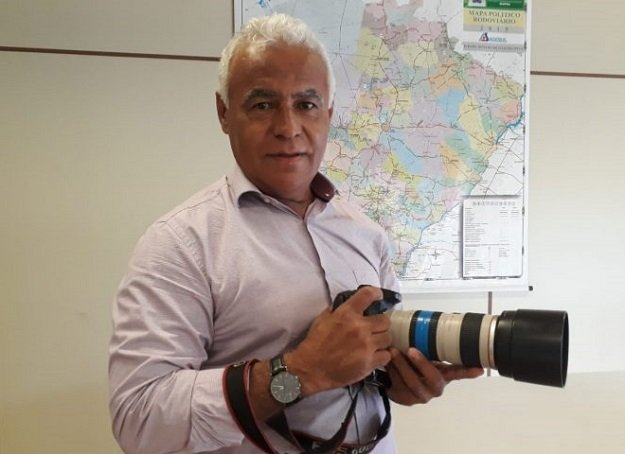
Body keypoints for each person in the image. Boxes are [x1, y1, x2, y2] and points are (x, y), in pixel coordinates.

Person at [108, 13, 483, 454]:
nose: (288, 128)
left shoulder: (367, 234)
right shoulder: (180, 244)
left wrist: (401, 380)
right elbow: (139, 419)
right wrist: (300, 372)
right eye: (262, 105)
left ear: (329, 113)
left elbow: (376, 362)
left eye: (306, 104)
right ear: (224, 112)